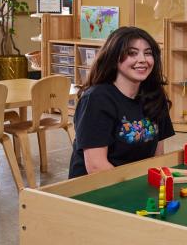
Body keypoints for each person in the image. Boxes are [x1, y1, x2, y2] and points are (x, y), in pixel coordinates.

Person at [68, 26, 174, 178]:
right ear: (114, 57)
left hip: (135, 184)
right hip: (95, 189)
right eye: (132, 53)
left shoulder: (155, 96)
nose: (142, 60)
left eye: (148, 53)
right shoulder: (97, 99)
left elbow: (157, 157)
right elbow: (96, 167)